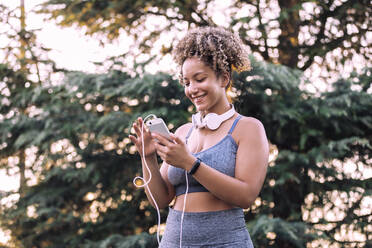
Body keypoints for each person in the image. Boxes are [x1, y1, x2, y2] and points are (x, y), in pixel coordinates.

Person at [129, 26, 269, 248]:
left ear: (224, 78)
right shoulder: (183, 132)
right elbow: (161, 200)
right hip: (174, 242)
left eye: (200, 79)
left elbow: (246, 196)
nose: (192, 89)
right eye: (186, 82)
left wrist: (190, 163)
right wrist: (148, 158)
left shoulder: (248, 128)